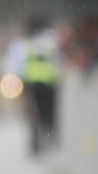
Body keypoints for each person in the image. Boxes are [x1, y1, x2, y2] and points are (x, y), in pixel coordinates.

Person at [4, 15, 60, 154]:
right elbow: (59, 60)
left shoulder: (23, 44)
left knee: (32, 113)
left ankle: (36, 140)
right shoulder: (52, 41)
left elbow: (16, 64)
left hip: (30, 84)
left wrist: (14, 81)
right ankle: (49, 138)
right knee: (49, 112)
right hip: (50, 82)